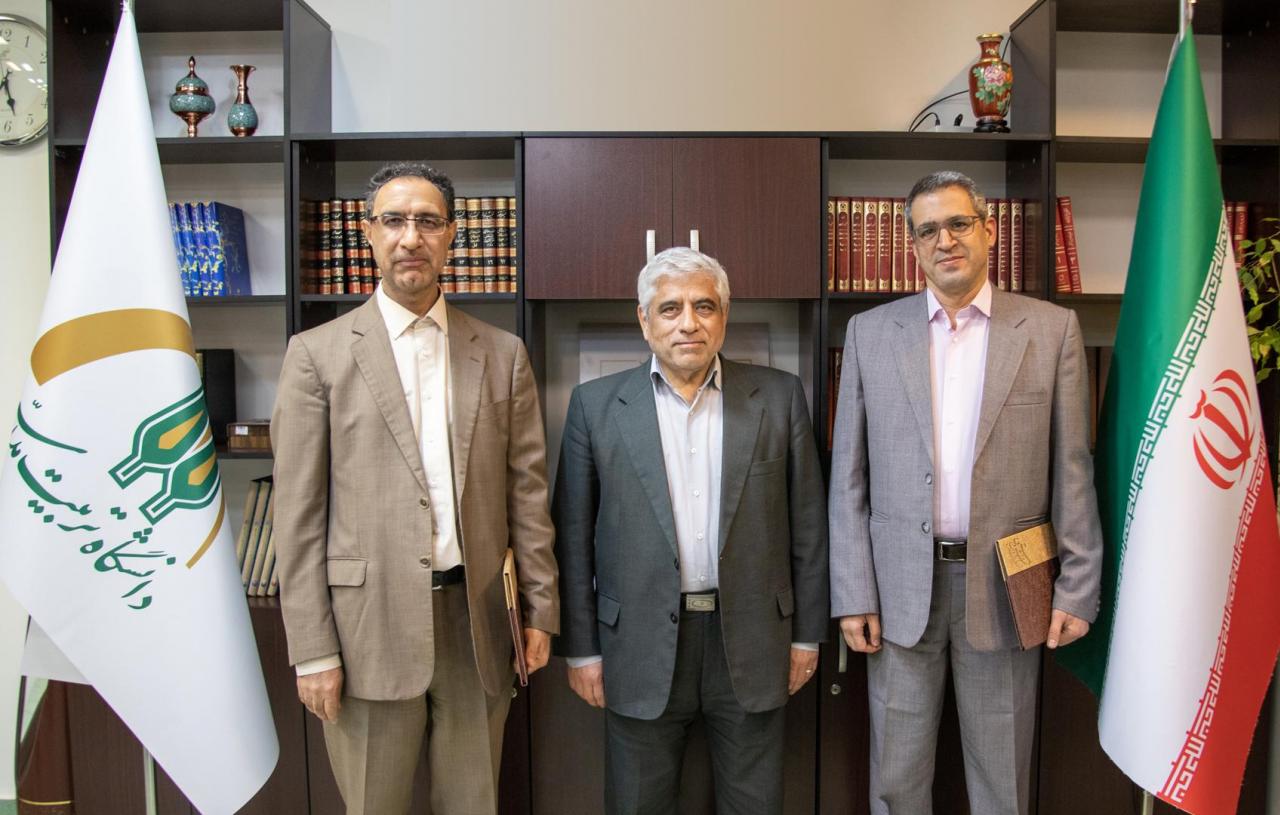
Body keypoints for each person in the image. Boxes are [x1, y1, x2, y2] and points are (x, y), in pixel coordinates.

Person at [270, 161, 558, 815]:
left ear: (451, 234)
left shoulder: (502, 353)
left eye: (428, 222)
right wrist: (312, 650)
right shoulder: (316, 354)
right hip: (364, 630)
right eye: (394, 220)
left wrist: (540, 609)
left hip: (477, 624)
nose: (411, 237)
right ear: (368, 232)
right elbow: (298, 517)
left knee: (474, 803)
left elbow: (527, 496)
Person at [829, 170, 1103, 815]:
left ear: (988, 229)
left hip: (1008, 586)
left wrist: (1078, 587)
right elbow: (848, 478)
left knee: (1001, 782)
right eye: (928, 230)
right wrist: (853, 592)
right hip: (898, 588)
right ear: (913, 246)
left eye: (958, 224)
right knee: (896, 782)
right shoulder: (871, 333)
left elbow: (1072, 469)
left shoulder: (1051, 330)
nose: (945, 240)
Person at [553, 247, 828, 814]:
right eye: (670, 308)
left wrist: (806, 636)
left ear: (724, 316)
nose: (688, 323)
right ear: (644, 320)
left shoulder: (779, 397)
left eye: (704, 306)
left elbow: (809, 527)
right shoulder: (594, 406)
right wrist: (580, 650)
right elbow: (573, 540)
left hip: (754, 640)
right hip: (636, 645)